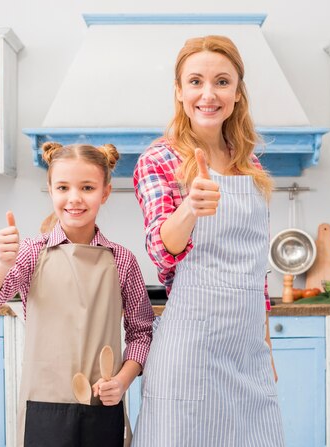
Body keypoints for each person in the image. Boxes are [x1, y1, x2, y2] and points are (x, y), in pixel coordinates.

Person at [131, 35, 285, 446]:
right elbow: (162, 249)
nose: (208, 93)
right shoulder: (159, 159)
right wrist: (190, 208)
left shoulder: (249, 164)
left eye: (221, 81)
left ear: (237, 94)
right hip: (191, 350)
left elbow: (258, 270)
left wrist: (265, 345)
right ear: (180, 92)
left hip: (248, 348)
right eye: (195, 81)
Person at [0, 142, 154, 447]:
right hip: (43, 403)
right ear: (51, 190)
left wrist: (121, 382)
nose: (75, 198)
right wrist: (2, 262)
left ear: (105, 193)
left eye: (88, 187)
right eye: (63, 187)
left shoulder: (122, 260)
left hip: (101, 404)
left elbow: (141, 334)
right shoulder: (31, 252)